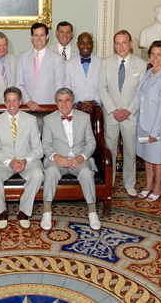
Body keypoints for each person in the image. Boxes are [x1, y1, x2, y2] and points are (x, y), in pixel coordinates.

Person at [41, 88, 101, 231]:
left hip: (79, 159)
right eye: (60, 101)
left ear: (73, 101)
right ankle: (47, 212)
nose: (64, 104)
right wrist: (56, 157)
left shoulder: (84, 117)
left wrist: (81, 158)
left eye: (67, 100)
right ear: (56, 103)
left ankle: (92, 212)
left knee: (86, 172)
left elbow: (91, 143)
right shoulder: (48, 119)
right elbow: (45, 144)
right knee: (50, 171)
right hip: (57, 160)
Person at [98, 30, 147, 196]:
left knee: (129, 151)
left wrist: (128, 110)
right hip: (111, 115)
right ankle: (109, 183)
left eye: (124, 42)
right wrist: (113, 109)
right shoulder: (106, 63)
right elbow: (102, 88)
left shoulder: (141, 64)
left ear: (131, 43)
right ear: (114, 45)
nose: (121, 46)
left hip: (130, 115)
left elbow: (141, 92)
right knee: (109, 151)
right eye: (117, 43)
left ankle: (130, 184)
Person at [0, 87, 44, 229]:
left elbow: (38, 148)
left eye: (14, 100)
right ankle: (2, 211)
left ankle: (24, 211)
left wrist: (25, 160)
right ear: (4, 102)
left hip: (26, 160)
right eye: (8, 101)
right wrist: (10, 162)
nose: (11, 104)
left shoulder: (31, 120)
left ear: (20, 102)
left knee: (38, 174)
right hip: (4, 161)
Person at [135, 41, 161, 202]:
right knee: (147, 157)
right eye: (153, 54)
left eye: (159, 54)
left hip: (156, 126)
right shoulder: (148, 72)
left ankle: (158, 186)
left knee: (157, 158)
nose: (155, 57)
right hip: (144, 122)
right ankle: (148, 184)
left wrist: (155, 131)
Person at [17, 23, 65, 111]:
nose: (39, 39)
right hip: (27, 108)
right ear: (31, 37)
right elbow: (19, 84)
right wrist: (28, 101)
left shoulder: (57, 58)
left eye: (42, 35)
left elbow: (59, 87)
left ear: (47, 36)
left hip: (49, 108)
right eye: (36, 35)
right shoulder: (22, 57)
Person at [65, 32, 101, 113]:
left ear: (92, 44)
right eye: (82, 43)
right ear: (77, 44)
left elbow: (104, 86)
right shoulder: (68, 64)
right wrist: (77, 103)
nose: (85, 46)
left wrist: (94, 101)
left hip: (96, 109)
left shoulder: (101, 63)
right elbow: (67, 87)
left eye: (88, 43)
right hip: (75, 108)